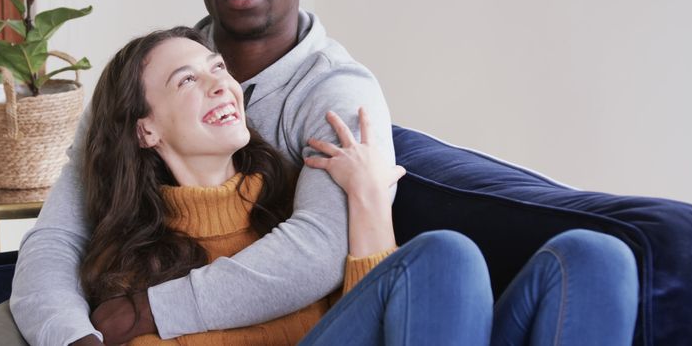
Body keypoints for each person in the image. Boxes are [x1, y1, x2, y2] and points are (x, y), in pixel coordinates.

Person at [11, 0, 397, 345]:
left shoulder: (337, 91)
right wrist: (74, 339)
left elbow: (321, 249)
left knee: (449, 255)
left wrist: (148, 310)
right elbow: (59, 237)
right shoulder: (137, 85)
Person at [82, 27, 495, 344]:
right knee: (449, 253)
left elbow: (373, 322)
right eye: (187, 80)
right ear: (145, 130)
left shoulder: (290, 207)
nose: (220, 85)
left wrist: (368, 198)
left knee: (561, 257)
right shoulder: (133, 270)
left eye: (218, 68)